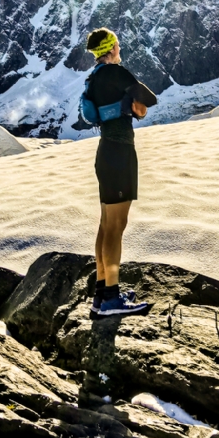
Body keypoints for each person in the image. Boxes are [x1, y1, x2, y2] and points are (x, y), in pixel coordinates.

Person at [83, 27, 157, 319]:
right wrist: (133, 108)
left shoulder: (93, 78)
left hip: (105, 152)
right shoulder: (119, 74)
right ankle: (111, 300)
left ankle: (102, 294)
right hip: (120, 153)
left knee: (105, 224)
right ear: (111, 47)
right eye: (117, 44)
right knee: (116, 226)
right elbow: (145, 106)